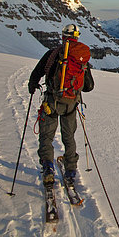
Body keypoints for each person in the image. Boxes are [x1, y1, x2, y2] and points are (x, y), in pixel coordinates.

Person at [28, 24, 94, 184]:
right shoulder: (81, 58)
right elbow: (89, 86)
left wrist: (32, 86)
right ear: (76, 37)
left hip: (52, 101)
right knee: (69, 136)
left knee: (46, 135)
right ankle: (70, 170)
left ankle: (48, 166)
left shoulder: (53, 54)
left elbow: (37, 73)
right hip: (71, 104)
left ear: (63, 36)